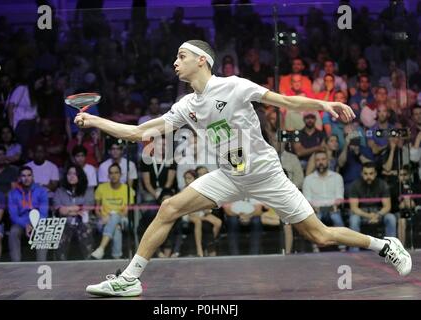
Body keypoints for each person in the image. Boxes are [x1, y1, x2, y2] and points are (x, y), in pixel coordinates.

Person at [78, 40, 411, 297]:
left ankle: (384, 245)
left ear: (201, 60)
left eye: (181, 56)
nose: (175, 62)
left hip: (266, 173)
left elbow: (286, 102)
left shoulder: (235, 86)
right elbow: (139, 133)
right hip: (228, 175)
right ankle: (129, 279)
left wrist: (326, 104)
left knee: (319, 234)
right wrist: (95, 121)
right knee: (169, 208)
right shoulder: (185, 107)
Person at [91, 163, 135, 260]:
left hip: (123, 220)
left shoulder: (128, 190)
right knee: (116, 229)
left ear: (121, 174)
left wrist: (112, 218)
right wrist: (102, 217)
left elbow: (126, 212)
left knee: (115, 219)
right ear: (108, 175)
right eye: (111, 173)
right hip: (103, 220)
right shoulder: (101, 188)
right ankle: (117, 257)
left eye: (116, 172)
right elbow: (97, 209)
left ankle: (101, 248)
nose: (113, 175)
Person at [8, 166, 49, 261]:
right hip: (20, 222)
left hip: (38, 222)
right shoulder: (12, 193)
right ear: (19, 178)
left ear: (33, 177)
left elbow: (44, 213)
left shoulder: (42, 191)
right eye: (23, 176)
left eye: (29, 175)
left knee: (42, 232)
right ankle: (16, 265)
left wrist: (32, 224)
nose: (26, 178)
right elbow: (13, 215)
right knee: (13, 232)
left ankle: (41, 264)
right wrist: (26, 224)